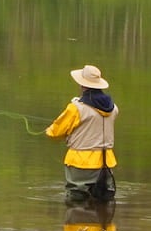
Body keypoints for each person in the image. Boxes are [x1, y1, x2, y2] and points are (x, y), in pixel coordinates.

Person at [44, 63, 116, 201]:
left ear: (83, 85)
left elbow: (55, 132)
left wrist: (49, 130)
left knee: (76, 199)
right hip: (106, 162)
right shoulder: (113, 108)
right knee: (104, 199)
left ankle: (77, 222)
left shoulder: (75, 108)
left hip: (81, 162)